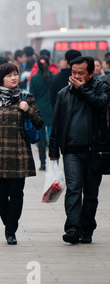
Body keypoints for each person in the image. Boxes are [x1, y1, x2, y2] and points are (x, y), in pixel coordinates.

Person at [0, 63, 44, 245]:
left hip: (19, 151)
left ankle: (11, 229)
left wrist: (27, 110)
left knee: (16, 193)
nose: (14, 78)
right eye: (9, 75)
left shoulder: (25, 97)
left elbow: (39, 122)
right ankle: (9, 224)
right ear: (0, 79)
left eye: (15, 74)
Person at [49, 56, 110, 244]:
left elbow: (101, 104)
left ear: (91, 73)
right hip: (71, 150)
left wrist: (81, 89)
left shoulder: (102, 88)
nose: (75, 76)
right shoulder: (63, 94)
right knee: (74, 189)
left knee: (91, 193)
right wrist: (53, 150)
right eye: (73, 72)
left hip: (95, 150)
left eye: (80, 73)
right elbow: (57, 122)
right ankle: (73, 229)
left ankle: (87, 228)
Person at [30, 55, 54, 171]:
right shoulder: (54, 77)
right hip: (52, 111)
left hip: (39, 111)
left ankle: (43, 163)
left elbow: (31, 96)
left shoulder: (34, 79)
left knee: (41, 139)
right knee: (52, 138)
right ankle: (54, 162)